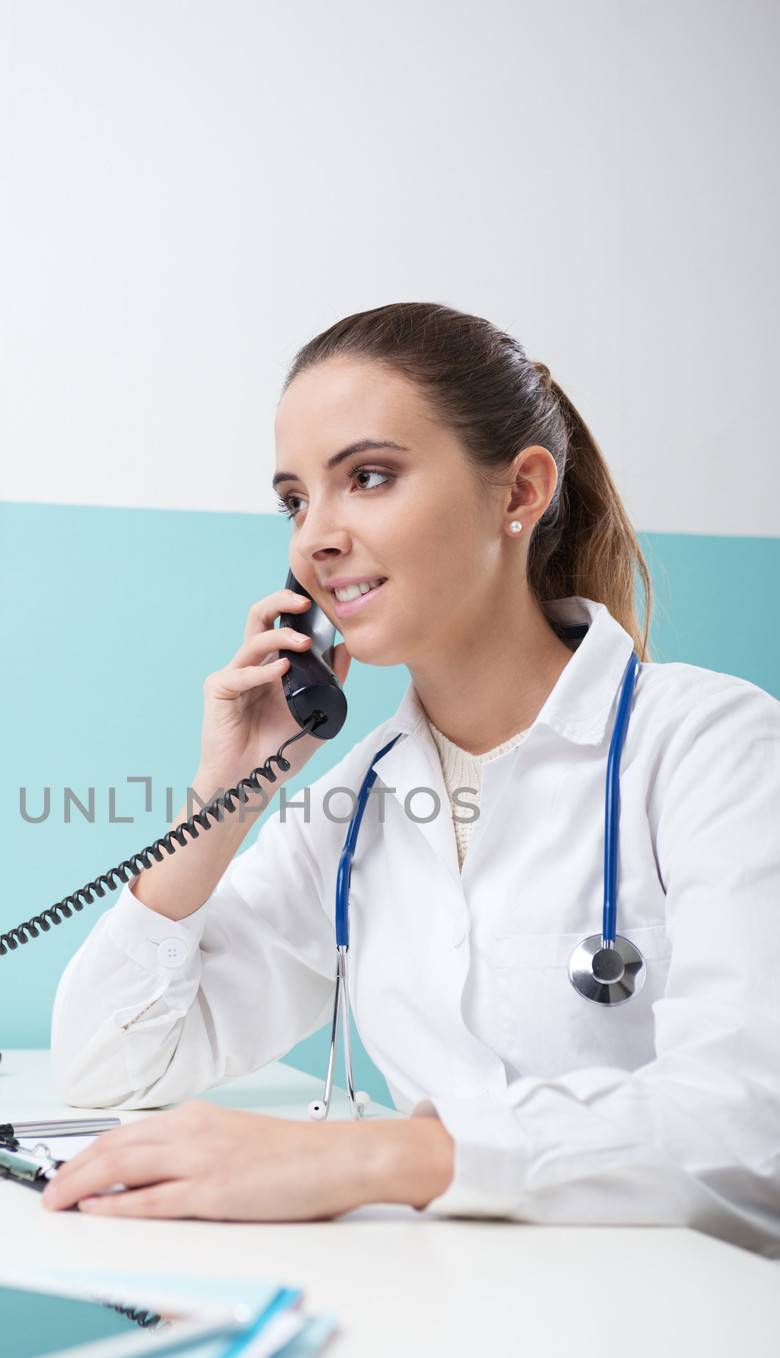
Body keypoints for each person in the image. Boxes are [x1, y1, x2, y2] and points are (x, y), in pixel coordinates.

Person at [43, 301, 780, 1256]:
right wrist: (226, 796)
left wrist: (370, 1161)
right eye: (295, 500)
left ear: (519, 493)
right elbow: (107, 1063)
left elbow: (750, 1121)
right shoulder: (353, 808)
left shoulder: (713, 746)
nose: (316, 537)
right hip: (445, 1319)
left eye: (369, 477)